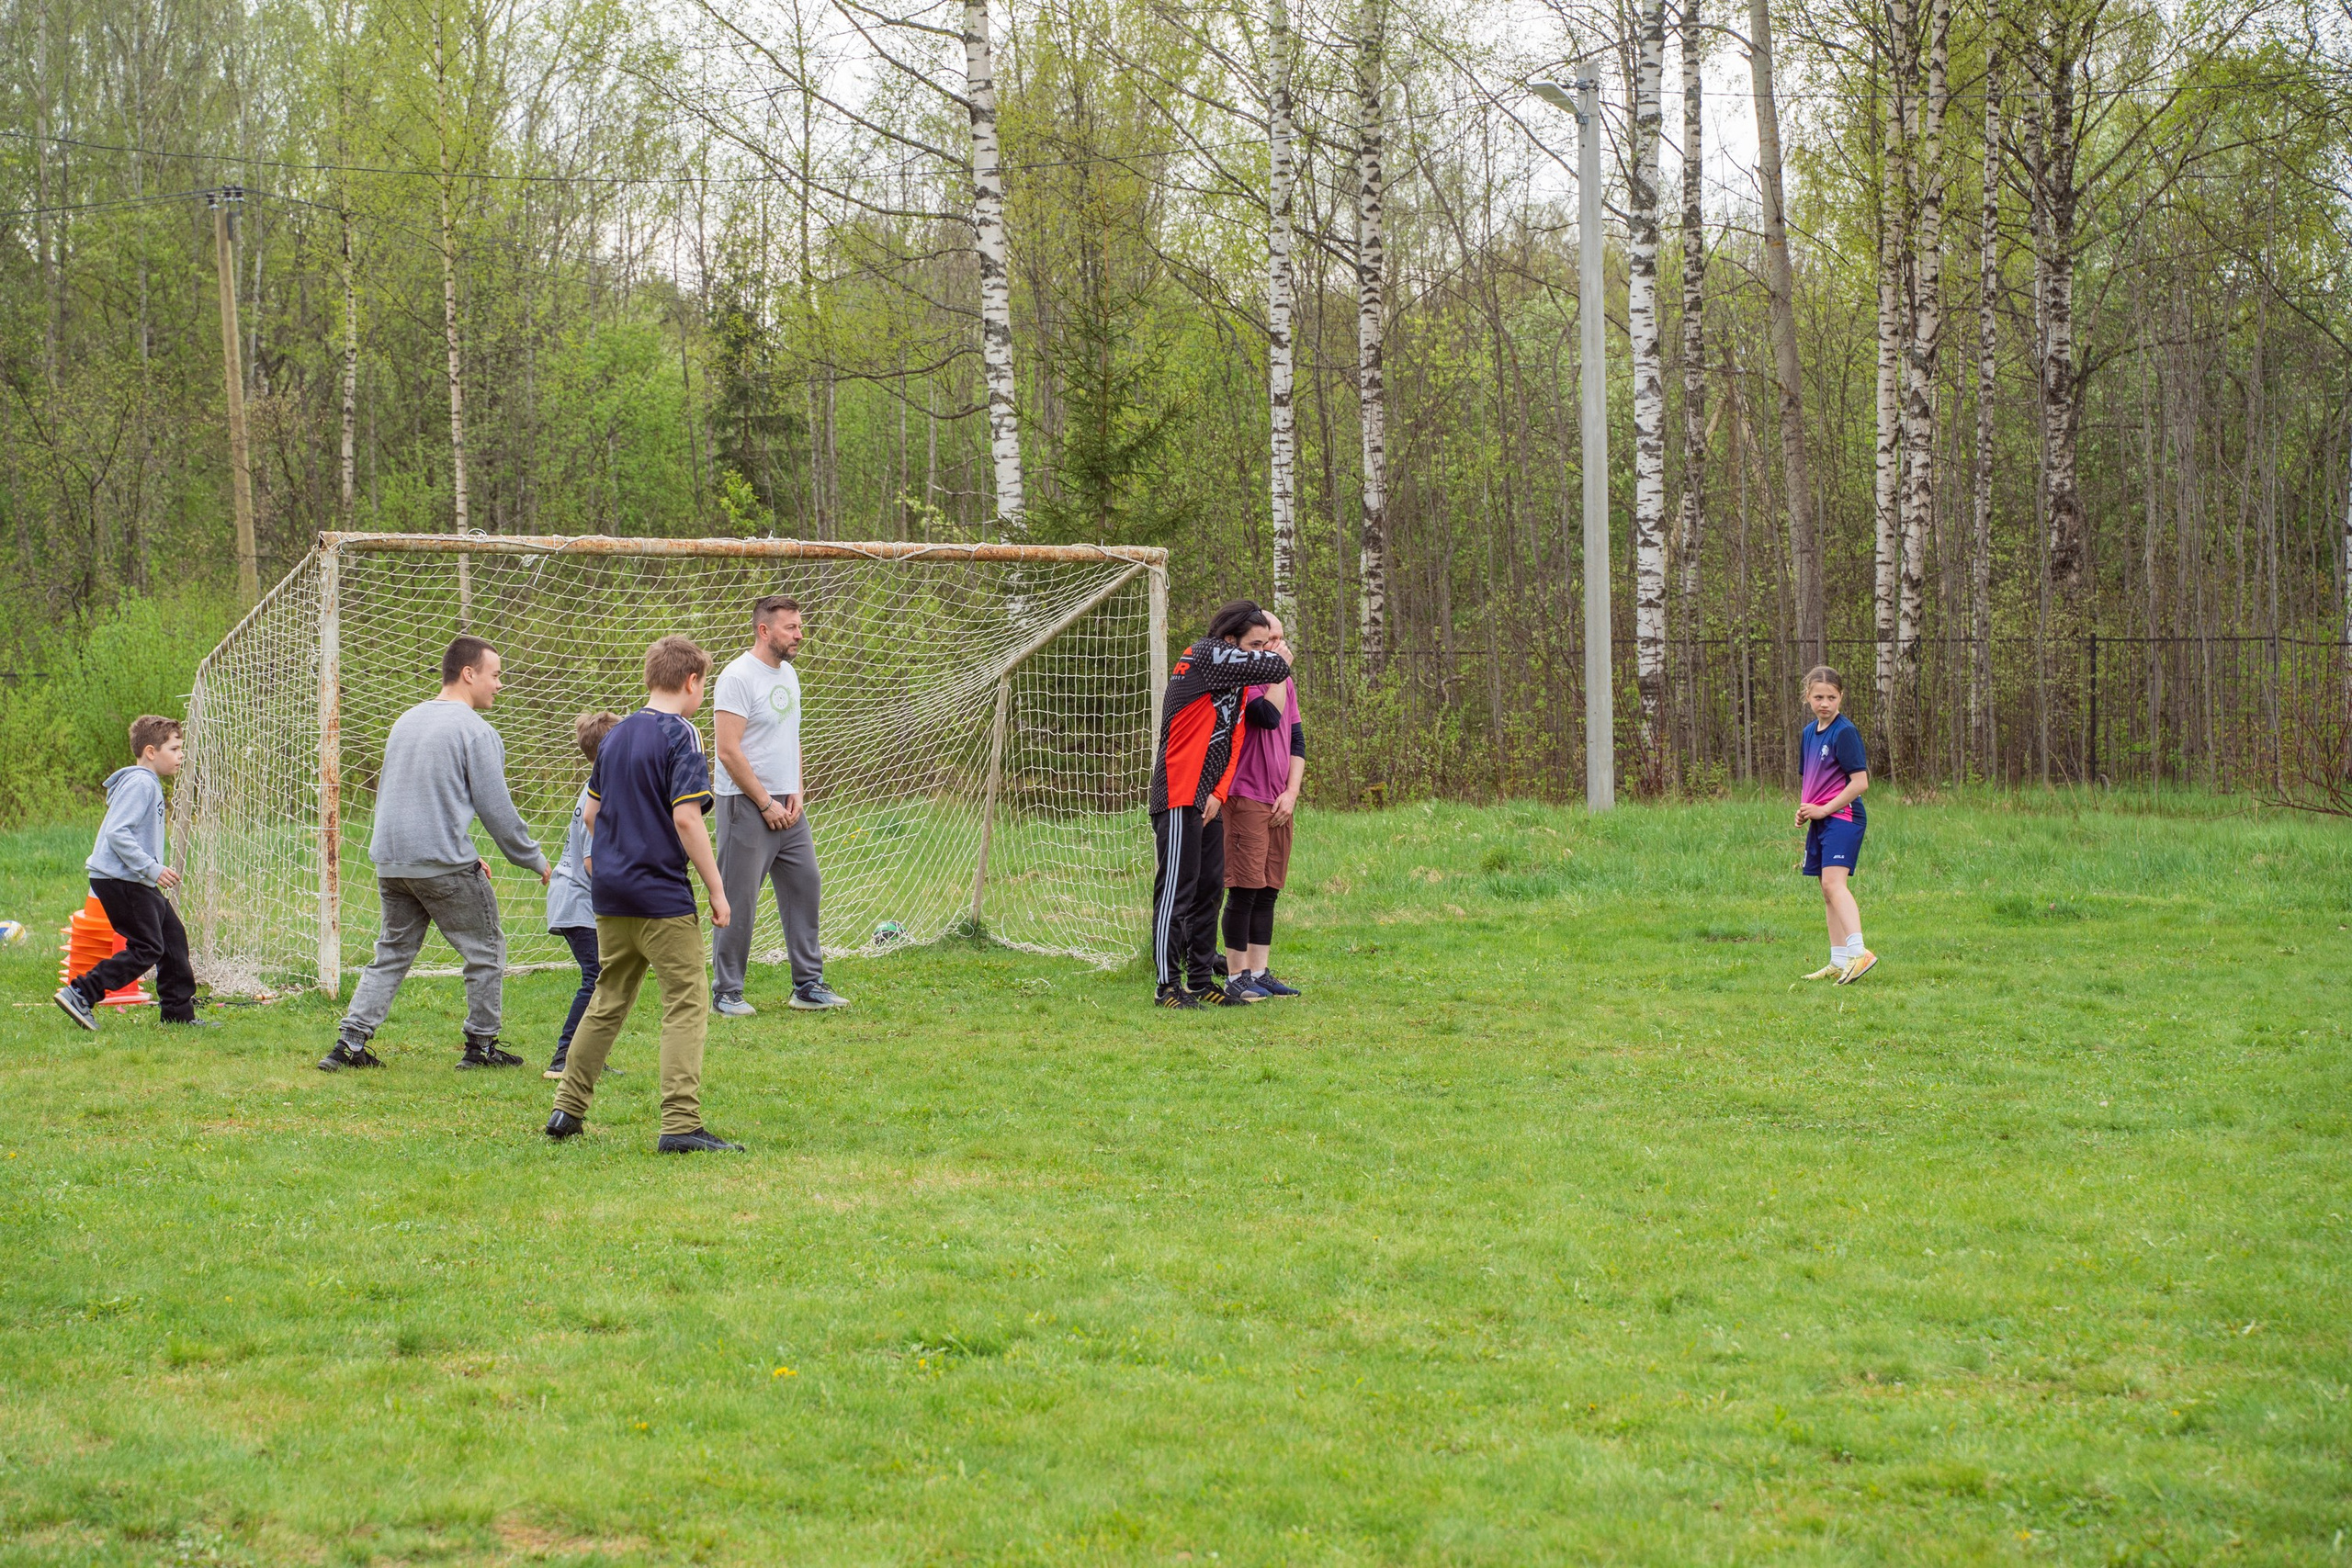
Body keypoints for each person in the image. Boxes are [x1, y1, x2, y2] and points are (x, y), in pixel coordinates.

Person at [544, 635, 743, 1153]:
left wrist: (618, 854)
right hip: (660, 896)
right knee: (686, 1002)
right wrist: (717, 890)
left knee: (608, 998)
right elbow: (687, 818)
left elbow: (591, 813)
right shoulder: (682, 734)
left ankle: (567, 1109)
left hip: (610, 894)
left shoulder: (615, 736)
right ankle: (680, 1125)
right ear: (692, 681)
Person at [320, 637, 548, 1072]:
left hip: (392, 863)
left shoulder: (406, 720)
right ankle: (481, 1047)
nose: (500, 684)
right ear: (469, 674)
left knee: (391, 954)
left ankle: (349, 1044)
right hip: (441, 864)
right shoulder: (475, 731)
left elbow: (415, 797)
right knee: (485, 951)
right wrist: (534, 859)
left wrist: (458, 850)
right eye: (496, 675)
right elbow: (497, 811)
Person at [1148, 600, 1290, 1008]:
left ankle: (1200, 980)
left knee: (1209, 889)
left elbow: (1235, 741)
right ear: (1230, 641)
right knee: (1177, 890)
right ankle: (1167, 986)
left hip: (1208, 798)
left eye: (1265, 644)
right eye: (1255, 644)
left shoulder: (1235, 681)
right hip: (1178, 791)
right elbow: (1276, 667)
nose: (1262, 651)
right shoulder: (1205, 654)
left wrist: (1218, 793)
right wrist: (1277, 655)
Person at [710, 594, 844, 1015]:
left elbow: (791, 738)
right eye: (791, 627)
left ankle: (808, 985)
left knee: (806, 885)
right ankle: (726, 992)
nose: (800, 634)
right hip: (746, 805)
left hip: (788, 807)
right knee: (739, 899)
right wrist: (765, 801)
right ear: (764, 630)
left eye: (800, 626)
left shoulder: (789, 674)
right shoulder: (737, 677)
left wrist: (796, 790)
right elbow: (727, 751)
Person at [54, 716, 213, 1031]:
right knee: (148, 946)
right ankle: (81, 992)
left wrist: (148, 870)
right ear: (151, 751)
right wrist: (151, 868)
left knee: (172, 938)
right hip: (121, 879)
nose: (181, 754)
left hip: (132, 877)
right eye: (174, 748)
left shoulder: (145, 782)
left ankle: (178, 1015)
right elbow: (118, 833)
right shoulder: (141, 783)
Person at [1219, 614, 1306, 1000]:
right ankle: (1235, 976)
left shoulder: (1285, 681)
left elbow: (1296, 739)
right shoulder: (1245, 679)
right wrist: (1277, 671)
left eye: (1282, 639)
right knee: (1245, 887)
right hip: (1245, 794)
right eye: (1270, 640)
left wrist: (1291, 792)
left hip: (1278, 798)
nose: (1279, 647)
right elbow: (1267, 718)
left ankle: (1259, 971)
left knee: (1269, 887)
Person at [544, 710, 623, 1080]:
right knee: (596, 977)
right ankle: (564, 1059)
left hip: (576, 899)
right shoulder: (602, 795)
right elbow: (593, 862)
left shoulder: (600, 785)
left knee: (603, 978)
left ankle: (589, 1057)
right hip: (578, 900)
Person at [1794, 665, 1875, 984]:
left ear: (1841, 696)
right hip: (1822, 819)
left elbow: (1860, 782)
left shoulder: (1845, 732)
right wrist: (1805, 810)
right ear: (1807, 697)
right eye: (1818, 697)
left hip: (1844, 817)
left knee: (1833, 884)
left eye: (1831, 697)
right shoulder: (1807, 733)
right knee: (1826, 890)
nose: (1824, 703)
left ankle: (1859, 953)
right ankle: (1839, 960)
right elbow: (1815, 778)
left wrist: (1824, 809)